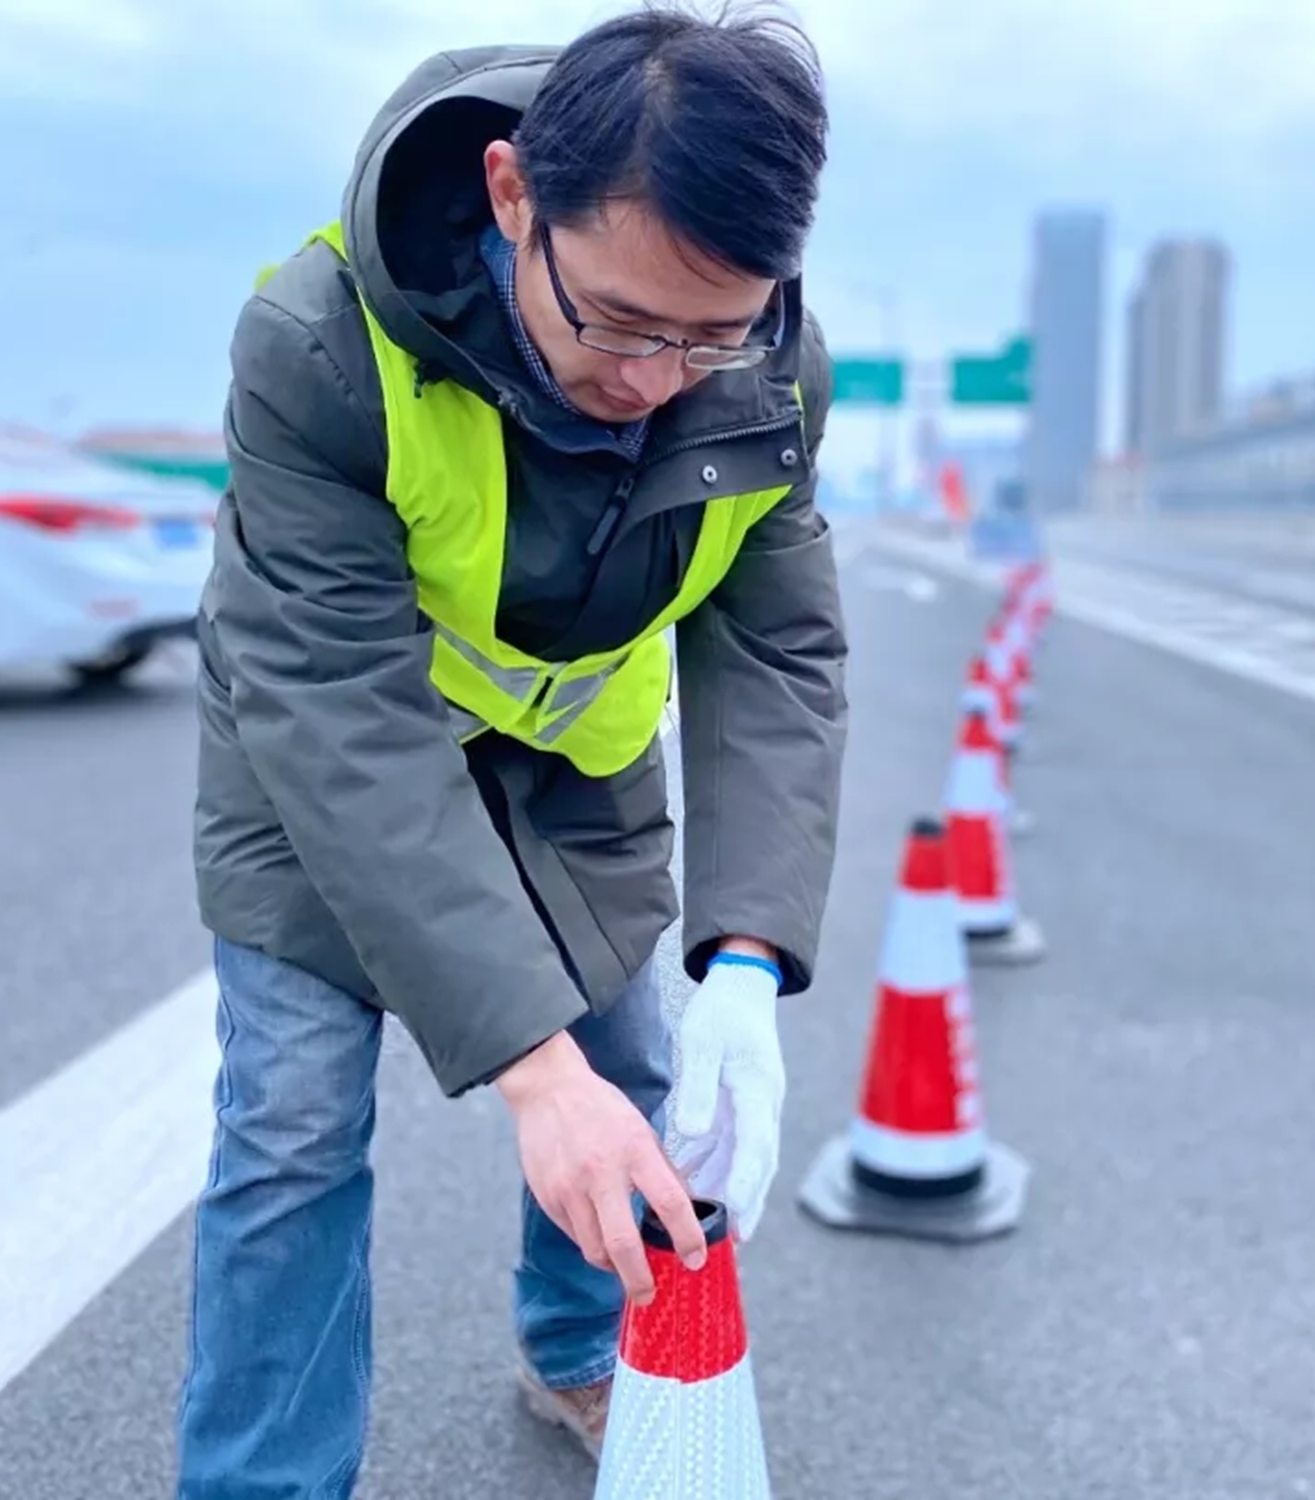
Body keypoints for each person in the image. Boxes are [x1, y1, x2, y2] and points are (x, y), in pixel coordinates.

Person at [176, 7, 845, 1493]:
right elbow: (339, 713)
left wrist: (745, 959)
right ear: (510, 197)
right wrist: (524, 1072)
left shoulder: (769, 375)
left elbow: (776, 648)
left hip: (574, 770)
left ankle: (576, 1353)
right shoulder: (321, 343)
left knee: (632, 1066)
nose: (658, 377)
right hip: (322, 761)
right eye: (614, 318)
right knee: (290, 1131)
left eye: (712, 331)